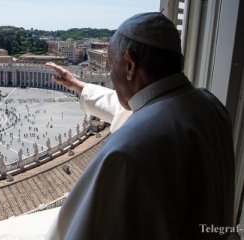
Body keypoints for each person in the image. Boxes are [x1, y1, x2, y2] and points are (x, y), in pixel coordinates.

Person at [45, 12, 235, 240]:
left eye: (110, 66)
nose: (109, 75)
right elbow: (138, 109)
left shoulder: (125, 149)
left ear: (130, 65)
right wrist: (80, 86)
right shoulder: (210, 104)